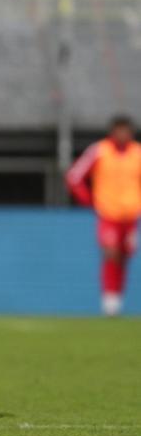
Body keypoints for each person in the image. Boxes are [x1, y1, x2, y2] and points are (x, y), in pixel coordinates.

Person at [66, 114, 141, 316]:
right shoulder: (99, 151)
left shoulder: (137, 153)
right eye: (119, 130)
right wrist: (88, 200)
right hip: (108, 215)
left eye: (126, 131)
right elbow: (74, 176)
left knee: (124, 257)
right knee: (110, 254)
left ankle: (117, 298)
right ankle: (109, 301)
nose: (123, 134)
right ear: (112, 132)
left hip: (131, 216)